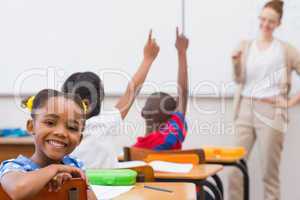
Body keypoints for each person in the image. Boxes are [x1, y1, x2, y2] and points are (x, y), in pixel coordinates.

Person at [230, 0, 300, 199]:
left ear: (278, 24)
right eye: (263, 19)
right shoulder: (246, 46)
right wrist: (236, 63)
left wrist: (289, 102)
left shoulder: (285, 49)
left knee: (270, 173)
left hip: (272, 111)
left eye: (271, 21)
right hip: (245, 108)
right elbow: (238, 79)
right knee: (234, 168)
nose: (265, 24)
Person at [62, 30, 160, 168]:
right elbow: (132, 90)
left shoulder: (61, 131)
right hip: (109, 186)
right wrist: (148, 59)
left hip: (76, 187)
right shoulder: (105, 121)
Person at [0, 89, 97, 200]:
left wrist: (76, 184)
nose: (60, 133)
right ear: (31, 126)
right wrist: (55, 169)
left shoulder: (75, 165)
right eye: (50, 123)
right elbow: (18, 189)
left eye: (72, 128)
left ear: (79, 139)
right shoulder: (13, 167)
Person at [133, 28, 189, 150]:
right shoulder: (173, 134)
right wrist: (182, 52)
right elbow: (183, 92)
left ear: (143, 113)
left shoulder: (136, 150)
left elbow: (183, 93)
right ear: (172, 117)